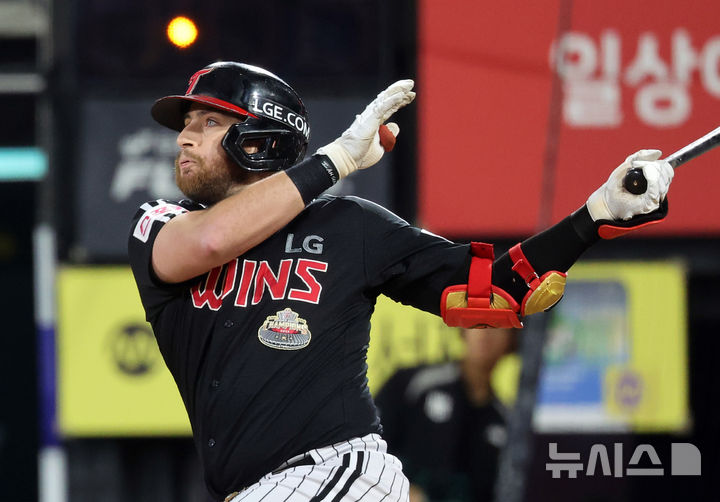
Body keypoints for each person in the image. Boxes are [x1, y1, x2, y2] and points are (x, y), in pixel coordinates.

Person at [128, 61, 673, 502]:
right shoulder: (161, 223)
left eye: (208, 123)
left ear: (258, 140)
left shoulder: (348, 227)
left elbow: (498, 292)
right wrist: (337, 159)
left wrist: (597, 214)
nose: (183, 138)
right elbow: (208, 244)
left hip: (334, 474)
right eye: (186, 124)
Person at [375, 328, 517, 502]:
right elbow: (365, 446)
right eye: (479, 323)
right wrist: (399, 491)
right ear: (463, 328)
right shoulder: (415, 383)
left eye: (498, 326)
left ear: (512, 337)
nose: (485, 333)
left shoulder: (504, 422)